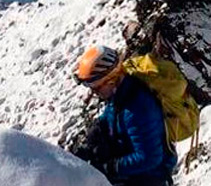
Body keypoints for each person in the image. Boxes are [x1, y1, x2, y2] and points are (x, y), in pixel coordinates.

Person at [73, 45, 177, 185]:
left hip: (147, 180)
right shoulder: (120, 95)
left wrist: (111, 167)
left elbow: (149, 158)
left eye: (97, 87)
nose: (94, 92)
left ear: (111, 79)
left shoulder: (138, 109)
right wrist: (93, 138)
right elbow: (110, 119)